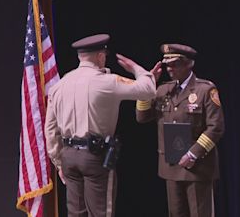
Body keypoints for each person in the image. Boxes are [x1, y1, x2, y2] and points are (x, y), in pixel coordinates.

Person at [44, 33, 156, 217]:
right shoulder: (107, 81)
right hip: (95, 156)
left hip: (69, 157)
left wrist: (58, 163)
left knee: (75, 214)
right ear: (101, 56)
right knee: (101, 213)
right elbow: (148, 90)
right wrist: (137, 69)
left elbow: (50, 129)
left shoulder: (60, 85)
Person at [136, 43, 224, 217]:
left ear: (189, 64)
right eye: (167, 64)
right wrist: (146, 88)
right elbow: (142, 117)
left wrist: (192, 154)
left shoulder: (205, 90)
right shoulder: (163, 90)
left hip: (197, 167)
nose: (170, 68)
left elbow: (216, 127)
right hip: (171, 167)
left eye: (175, 64)